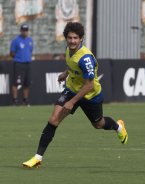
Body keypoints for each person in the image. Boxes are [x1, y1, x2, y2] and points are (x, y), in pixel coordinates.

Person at [22, 22, 128, 168]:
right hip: (71, 89)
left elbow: (89, 84)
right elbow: (72, 65)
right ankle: (37, 158)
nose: (72, 41)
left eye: (75, 38)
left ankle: (118, 126)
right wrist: (65, 74)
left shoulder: (85, 58)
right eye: (70, 38)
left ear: (81, 39)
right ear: (66, 38)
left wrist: (72, 102)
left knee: (98, 124)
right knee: (54, 120)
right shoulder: (68, 49)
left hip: (90, 95)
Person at [10, 24, 33, 105]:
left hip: (28, 63)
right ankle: (15, 100)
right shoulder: (16, 40)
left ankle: (25, 100)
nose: (25, 32)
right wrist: (19, 57)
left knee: (27, 83)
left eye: (26, 30)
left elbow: (30, 51)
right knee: (16, 82)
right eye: (23, 30)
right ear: (21, 31)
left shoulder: (30, 40)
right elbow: (12, 53)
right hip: (19, 63)